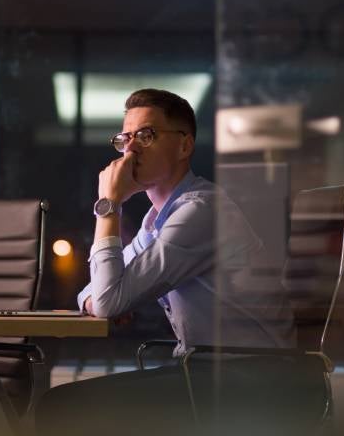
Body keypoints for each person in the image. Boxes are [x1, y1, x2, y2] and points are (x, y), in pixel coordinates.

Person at [35, 89, 324, 436]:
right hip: (207, 372)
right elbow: (95, 293)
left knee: (61, 407)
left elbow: (108, 300)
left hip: (254, 381)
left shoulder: (200, 212)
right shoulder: (156, 221)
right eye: (125, 138)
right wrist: (102, 298)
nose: (130, 149)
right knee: (64, 404)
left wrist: (109, 204)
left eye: (146, 135)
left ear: (184, 146)